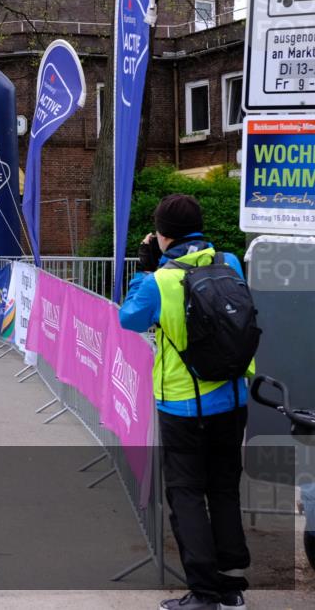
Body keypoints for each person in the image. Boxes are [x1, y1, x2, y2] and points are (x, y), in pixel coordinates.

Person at [119, 194, 252, 610]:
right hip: (232, 397)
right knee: (225, 488)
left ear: (161, 235)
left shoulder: (160, 279)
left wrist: (144, 268)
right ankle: (231, 588)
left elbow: (130, 318)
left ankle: (204, 594)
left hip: (183, 405)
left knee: (187, 494)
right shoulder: (228, 262)